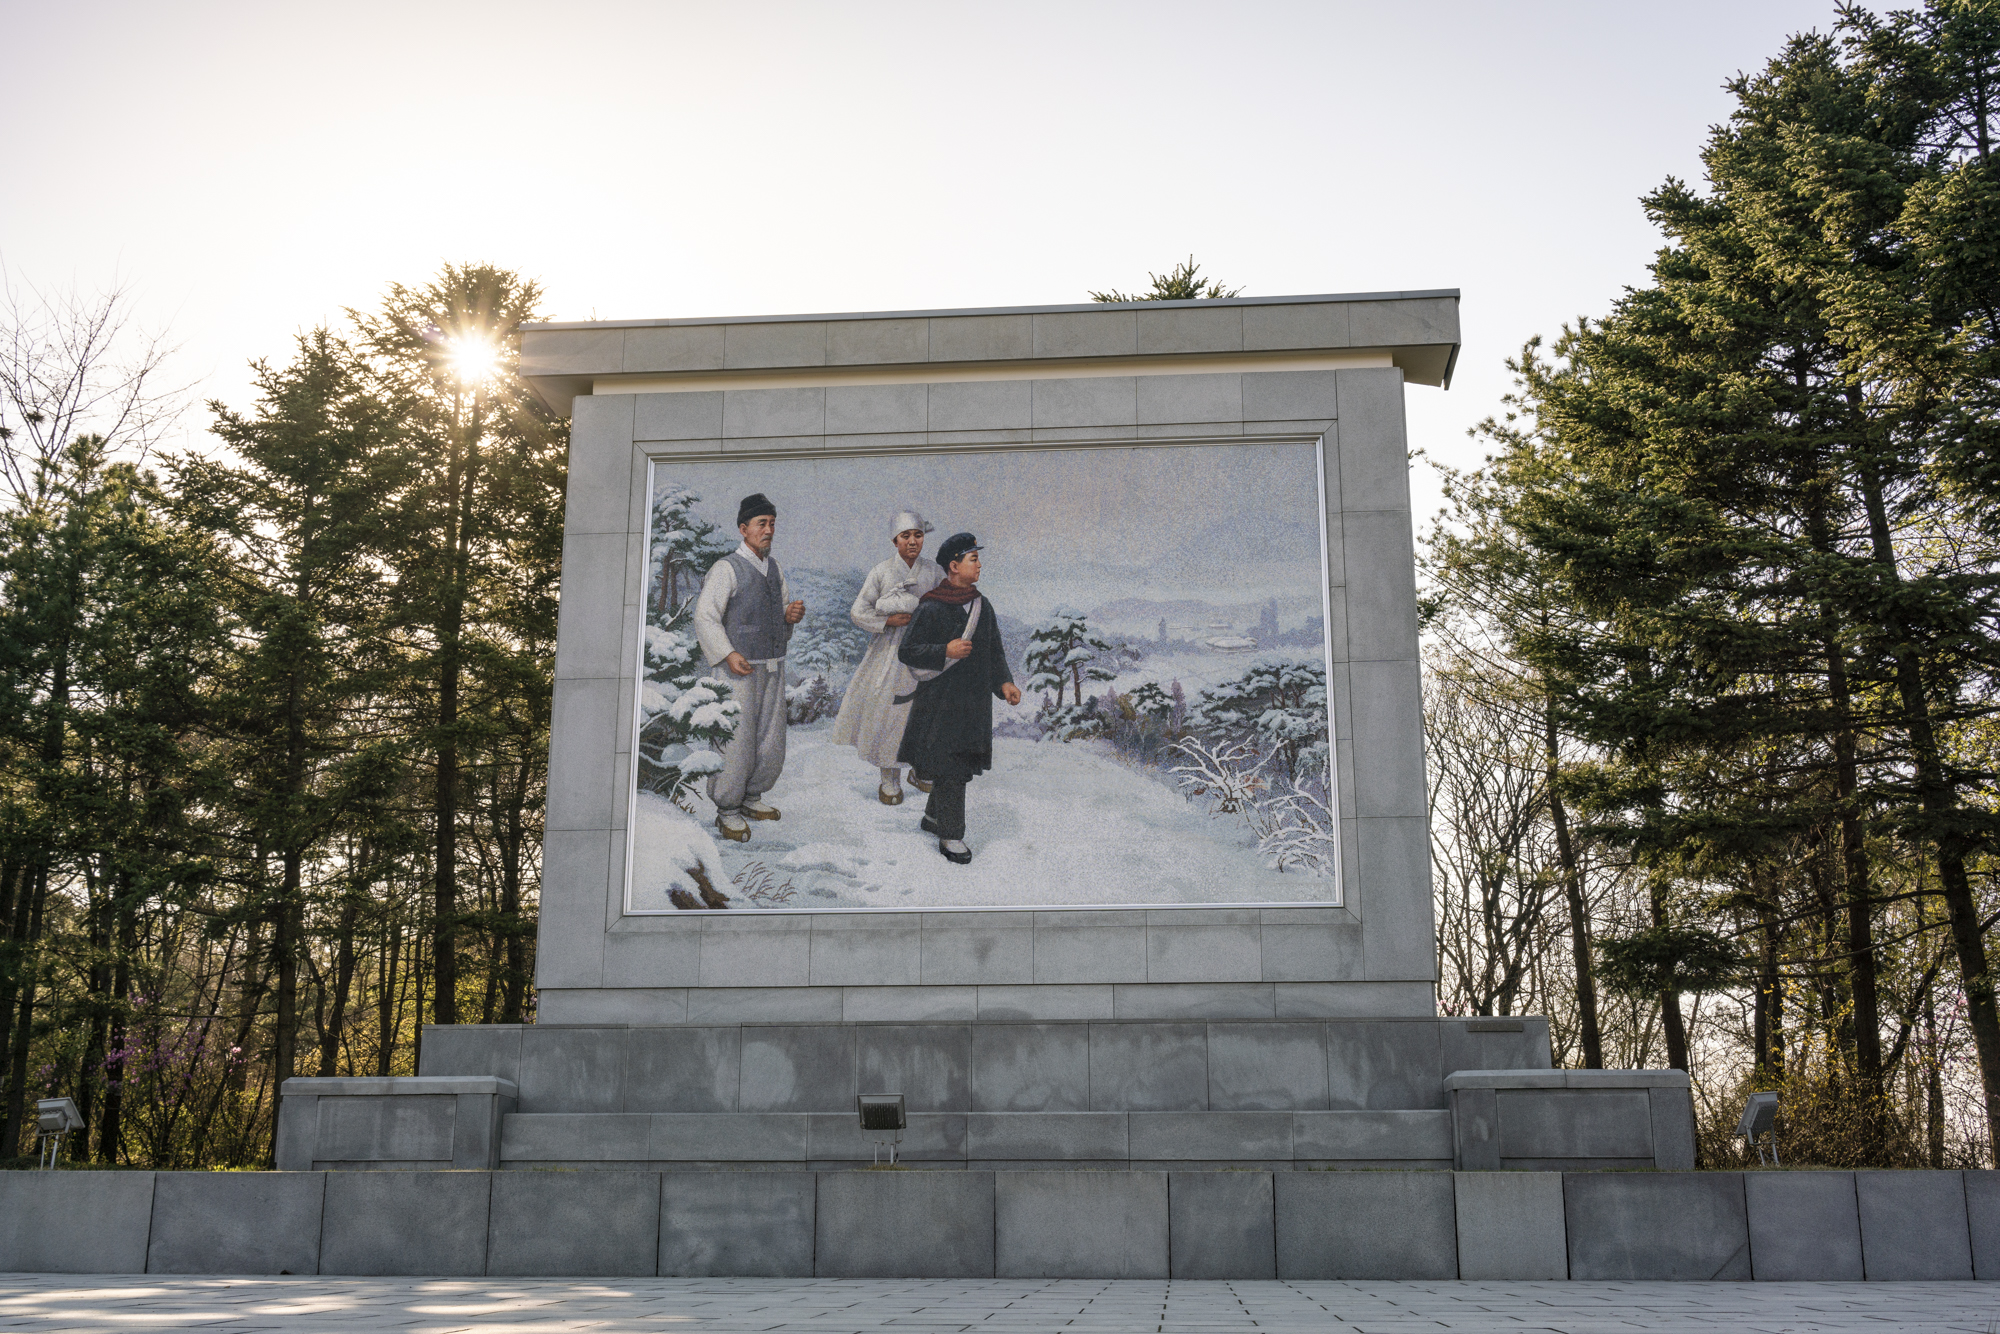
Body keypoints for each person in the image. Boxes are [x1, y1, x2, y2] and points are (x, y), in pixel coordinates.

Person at [896, 532, 1024, 863]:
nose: (979, 565)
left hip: (973, 705)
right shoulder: (931, 606)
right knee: (950, 765)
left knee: (957, 763)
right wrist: (945, 651)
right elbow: (908, 651)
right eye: (973, 559)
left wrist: (1005, 684)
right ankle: (951, 835)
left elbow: (994, 653)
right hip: (939, 706)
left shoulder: (983, 605)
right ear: (954, 566)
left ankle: (933, 817)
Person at [692, 492, 806, 842]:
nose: (768, 530)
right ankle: (727, 807)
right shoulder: (727, 568)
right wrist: (727, 654)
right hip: (736, 671)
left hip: (773, 665)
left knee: (769, 738)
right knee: (737, 740)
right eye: (761, 524)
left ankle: (752, 796)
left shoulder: (774, 567)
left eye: (772, 524)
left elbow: (780, 613)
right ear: (744, 529)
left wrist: (789, 617)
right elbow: (705, 616)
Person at [830, 510, 944, 805]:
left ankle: (920, 771)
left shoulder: (933, 572)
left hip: (925, 649)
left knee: (925, 711)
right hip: (889, 653)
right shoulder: (881, 572)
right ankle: (889, 778)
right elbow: (858, 612)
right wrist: (887, 622)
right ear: (895, 540)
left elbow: (948, 608)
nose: (912, 541)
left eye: (917, 535)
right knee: (890, 711)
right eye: (905, 536)